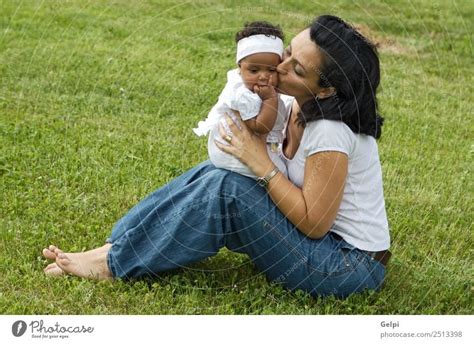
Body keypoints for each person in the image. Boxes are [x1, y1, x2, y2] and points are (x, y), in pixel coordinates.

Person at [42, 14, 391, 299]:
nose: (278, 67)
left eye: (297, 69)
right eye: (286, 52)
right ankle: (117, 245)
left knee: (229, 188)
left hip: (345, 268)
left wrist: (260, 163)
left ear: (327, 89)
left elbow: (315, 224)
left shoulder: (331, 131)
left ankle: (113, 264)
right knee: (215, 172)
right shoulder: (294, 105)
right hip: (324, 252)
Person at [192, 21, 292, 178]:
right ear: (240, 67)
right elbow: (260, 127)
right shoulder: (242, 94)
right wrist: (270, 99)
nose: (263, 76)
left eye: (271, 70)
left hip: (250, 145)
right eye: (254, 70)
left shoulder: (257, 87)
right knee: (282, 175)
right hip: (229, 148)